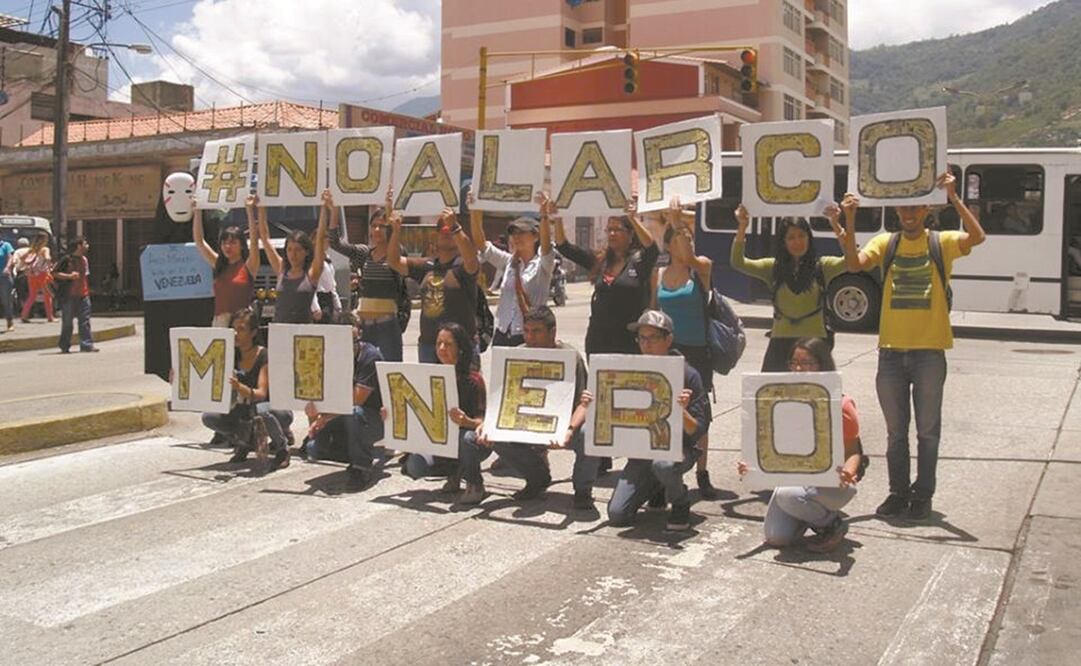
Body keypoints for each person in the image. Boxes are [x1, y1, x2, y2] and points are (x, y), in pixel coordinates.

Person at [838, 172, 986, 521]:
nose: (909, 213)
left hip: (929, 354)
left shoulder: (941, 242)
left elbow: (978, 236)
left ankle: (923, 495)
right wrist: (850, 219)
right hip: (891, 355)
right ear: (897, 210)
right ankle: (898, 493)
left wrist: (953, 197)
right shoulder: (885, 243)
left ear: (926, 211)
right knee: (895, 434)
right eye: (904, 207)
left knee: (928, 432)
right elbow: (853, 264)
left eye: (915, 207)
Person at [463, 306, 600, 510]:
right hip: (524, 424)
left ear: (552, 332)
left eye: (536, 331)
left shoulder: (571, 357)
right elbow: (502, 398)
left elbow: (584, 403)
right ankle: (536, 478)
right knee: (478, 437)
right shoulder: (517, 354)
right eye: (526, 331)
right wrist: (488, 424)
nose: (530, 337)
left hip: (562, 427)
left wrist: (569, 430)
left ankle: (583, 490)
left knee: (589, 433)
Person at [737, 338, 864, 553]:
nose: (798, 369)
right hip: (794, 478)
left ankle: (831, 524)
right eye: (794, 362)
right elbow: (765, 445)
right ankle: (808, 514)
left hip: (832, 483)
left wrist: (849, 472)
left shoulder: (841, 404)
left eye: (807, 363)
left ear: (822, 365)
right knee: (776, 537)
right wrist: (750, 466)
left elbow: (853, 451)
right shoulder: (777, 401)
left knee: (788, 496)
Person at [604, 310, 710, 531]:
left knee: (663, 465)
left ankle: (680, 501)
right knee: (617, 515)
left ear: (668, 340)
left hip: (679, 450)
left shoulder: (688, 375)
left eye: (653, 338)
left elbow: (698, 430)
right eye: (642, 338)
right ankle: (657, 486)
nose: (646, 344)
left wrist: (680, 411)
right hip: (642, 453)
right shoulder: (629, 371)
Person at [651, 197, 719, 499]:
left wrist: (677, 221)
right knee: (665, 408)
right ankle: (663, 468)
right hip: (668, 351)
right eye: (680, 238)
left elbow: (691, 258)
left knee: (700, 415)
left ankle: (702, 472)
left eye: (689, 238)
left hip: (697, 352)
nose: (686, 243)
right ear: (669, 245)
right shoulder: (659, 275)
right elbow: (653, 311)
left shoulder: (701, 267)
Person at [732, 204, 848, 371]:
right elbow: (738, 262)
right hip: (780, 343)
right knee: (772, 387)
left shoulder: (823, 266)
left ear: (809, 237)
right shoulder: (772, 268)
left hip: (814, 343)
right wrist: (742, 226)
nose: (797, 242)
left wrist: (836, 224)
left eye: (802, 236)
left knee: (815, 388)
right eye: (791, 237)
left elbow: (851, 260)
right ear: (783, 241)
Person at [554, 200, 657, 356]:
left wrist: (633, 218)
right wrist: (557, 216)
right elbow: (564, 247)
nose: (612, 234)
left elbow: (652, 248)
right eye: (609, 230)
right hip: (598, 340)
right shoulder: (600, 261)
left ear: (630, 235)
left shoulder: (640, 262)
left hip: (628, 341)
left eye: (618, 229)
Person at [401, 322, 487, 503]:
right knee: (414, 466)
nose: (441, 348)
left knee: (466, 439)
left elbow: (483, 421)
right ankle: (455, 471)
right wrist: (393, 417)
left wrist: (466, 421)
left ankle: (475, 483)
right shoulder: (428, 377)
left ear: (460, 349)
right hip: (440, 442)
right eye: (438, 343)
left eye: (448, 344)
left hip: (469, 442)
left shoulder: (473, 380)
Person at [200, 308, 293, 471]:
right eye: (233, 329)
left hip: (270, 409)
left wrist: (239, 387)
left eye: (241, 329)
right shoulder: (230, 355)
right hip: (243, 410)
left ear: (253, 333)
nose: (236, 333)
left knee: (261, 410)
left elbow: (261, 394)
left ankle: (282, 449)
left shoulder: (263, 355)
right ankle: (245, 441)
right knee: (210, 417)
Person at [387, 206, 480, 363]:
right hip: (429, 346)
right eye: (441, 229)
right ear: (436, 235)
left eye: (449, 229)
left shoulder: (463, 267)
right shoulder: (427, 266)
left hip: (460, 347)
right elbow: (394, 261)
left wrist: (455, 227)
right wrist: (395, 231)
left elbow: (471, 258)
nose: (446, 232)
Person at [303, 315, 385, 486]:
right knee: (313, 448)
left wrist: (325, 418)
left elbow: (356, 400)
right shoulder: (330, 357)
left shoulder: (370, 356)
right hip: (342, 416)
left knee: (354, 413)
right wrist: (314, 414)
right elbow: (323, 394)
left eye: (354, 341)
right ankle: (350, 450)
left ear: (360, 334)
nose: (350, 346)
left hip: (372, 418)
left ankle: (362, 466)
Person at [328, 191, 408, 361]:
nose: (377, 230)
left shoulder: (396, 256)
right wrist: (334, 211)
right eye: (374, 226)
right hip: (364, 327)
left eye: (382, 226)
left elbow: (395, 242)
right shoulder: (364, 254)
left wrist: (390, 208)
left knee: (388, 370)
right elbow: (335, 242)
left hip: (387, 327)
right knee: (365, 370)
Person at [469, 191, 555, 347]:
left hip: (529, 336)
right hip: (503, 333)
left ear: (535, 236)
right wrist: (475, 209)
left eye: (522, 232)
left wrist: (544, 215)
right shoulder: (509, 262)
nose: (516, 237)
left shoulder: (543, 266)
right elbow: (481, 244)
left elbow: (547, 248)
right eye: (513, 233)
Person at [258, 190, 330, 324]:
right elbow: (264, 237)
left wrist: (323, 208)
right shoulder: (281, 269)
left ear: (306, 251)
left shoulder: (312, 273)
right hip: (280, 329)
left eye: (298, 250)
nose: (293, 254)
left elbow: (320, 237)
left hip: (302, 331)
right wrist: (261, 206)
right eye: (290, 250)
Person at [193, 195, 261, 327]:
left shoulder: (249, 266)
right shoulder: (219, 264)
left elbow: (254, 242)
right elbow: (199, 241)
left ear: (242, 245)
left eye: (233, 242)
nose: (228, 247)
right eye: (224, 243)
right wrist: (197, 211)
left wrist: (249, 211)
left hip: (241, 324)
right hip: (220, 323)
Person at [53, 237, 96, 353]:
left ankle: (86, 344)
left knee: (85, 320)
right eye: (85, 244)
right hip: (69, 295)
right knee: (67, 322)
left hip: (83, 294)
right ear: (79, 246)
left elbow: (85, 276)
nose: (87, 246)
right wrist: (69, 276)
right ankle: (64, 345)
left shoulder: (84, 260)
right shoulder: (66, 260)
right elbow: (54, 273)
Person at [19, 232, 54, 323]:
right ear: (44, 240)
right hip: (43, 274)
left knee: (32, 296)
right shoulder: (45, 249)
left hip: (32, 275)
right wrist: (48, 263)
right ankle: (50, 317)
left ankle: (24, 315)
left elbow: (22, 258)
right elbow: (47, 258)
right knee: (47, 295)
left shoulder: (32, 249)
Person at [0, 237, 14, 331]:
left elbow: (10, 257)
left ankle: (10, 322)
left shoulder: (6, 245)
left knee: (6, 300)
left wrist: (8, 267)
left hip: (4, 276)